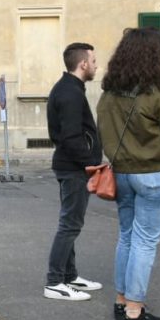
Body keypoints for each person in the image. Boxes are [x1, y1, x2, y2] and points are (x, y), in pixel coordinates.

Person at [96, 28, 160, 320]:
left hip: (123, 173)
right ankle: (135, 313)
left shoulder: (109, 96)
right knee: (144, 241)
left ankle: (122, 299)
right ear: (158, 55)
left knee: (127, 236)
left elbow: (105, 133)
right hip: (155, 173)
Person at [43, 42, 105, 302]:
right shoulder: (70, 93)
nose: (96, 65)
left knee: (70, 222)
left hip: (71, 167)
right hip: (74, 168)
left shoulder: (69, 88)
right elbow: (70, 136)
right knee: (70, 224)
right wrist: (89, 162)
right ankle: (55, 281)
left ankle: (69, 275)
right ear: (82, 64)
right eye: (93, 60)